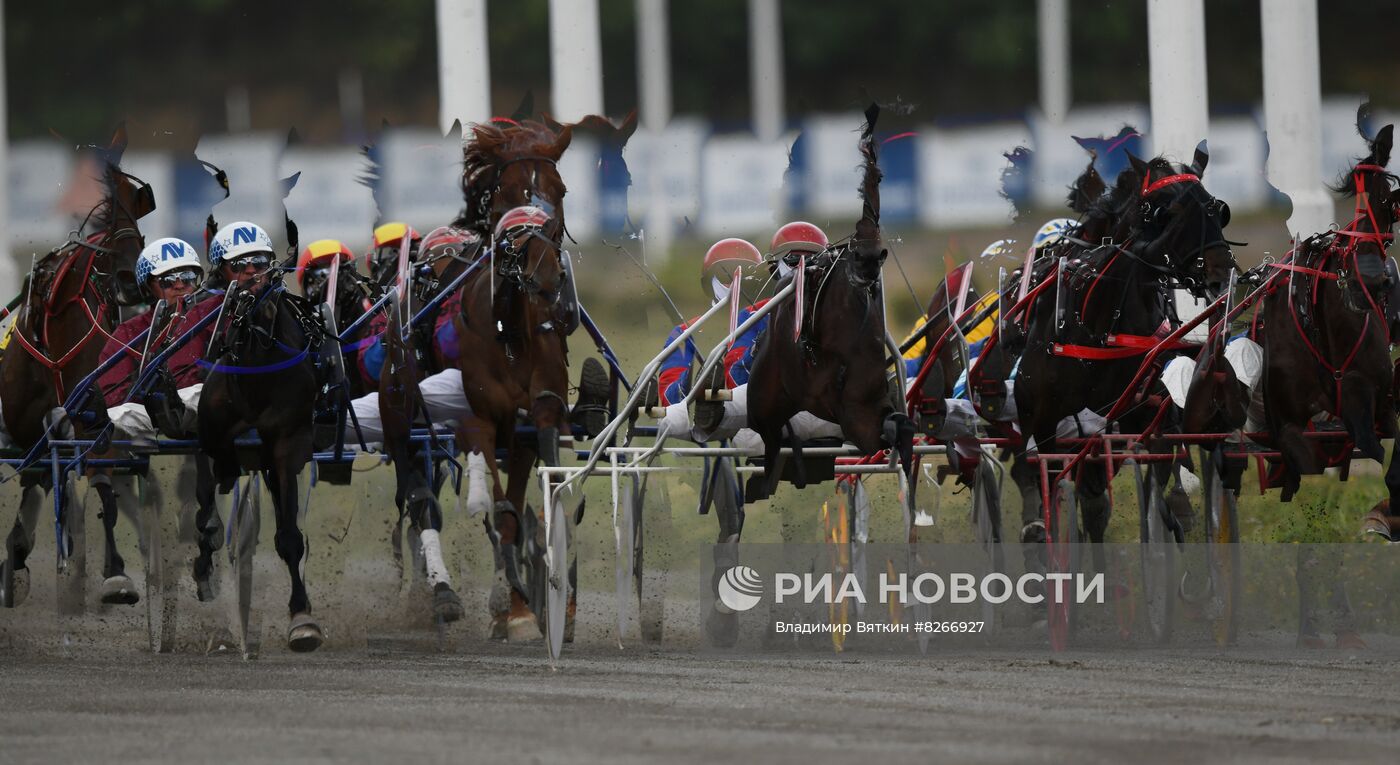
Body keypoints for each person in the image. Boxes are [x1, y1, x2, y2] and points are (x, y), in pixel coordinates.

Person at [99, 237, 222, 441]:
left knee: (199, 395)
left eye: (188, 277)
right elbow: (112, 393)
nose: (180, 285)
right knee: (116, 416)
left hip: (212, 414)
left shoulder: (217, 314)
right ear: (148, 287)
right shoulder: (130, 331)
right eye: (168, 280)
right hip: (150, 423)